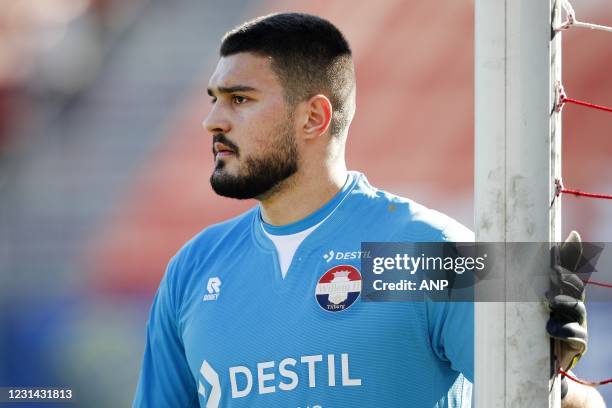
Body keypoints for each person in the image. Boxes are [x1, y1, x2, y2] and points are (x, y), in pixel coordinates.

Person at [133, 13, 602, 407]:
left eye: (240, 99)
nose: (212, 121)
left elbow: (562, 400)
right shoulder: (192, 270)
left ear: (313, 117)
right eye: (214, 100)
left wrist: (557, 379)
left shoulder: (425, 251)